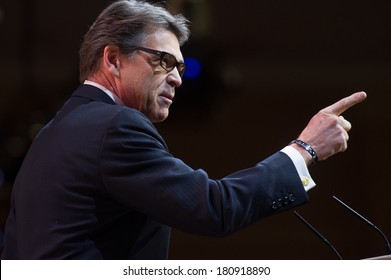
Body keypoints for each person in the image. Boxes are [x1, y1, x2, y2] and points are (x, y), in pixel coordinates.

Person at [1, 0, 366, 260]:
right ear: (113, 59)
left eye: (181, 65)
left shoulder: (51, 134)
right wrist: (305, 149)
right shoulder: (114, 126)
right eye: (164, 61)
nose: (177, 78)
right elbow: (213, 208)